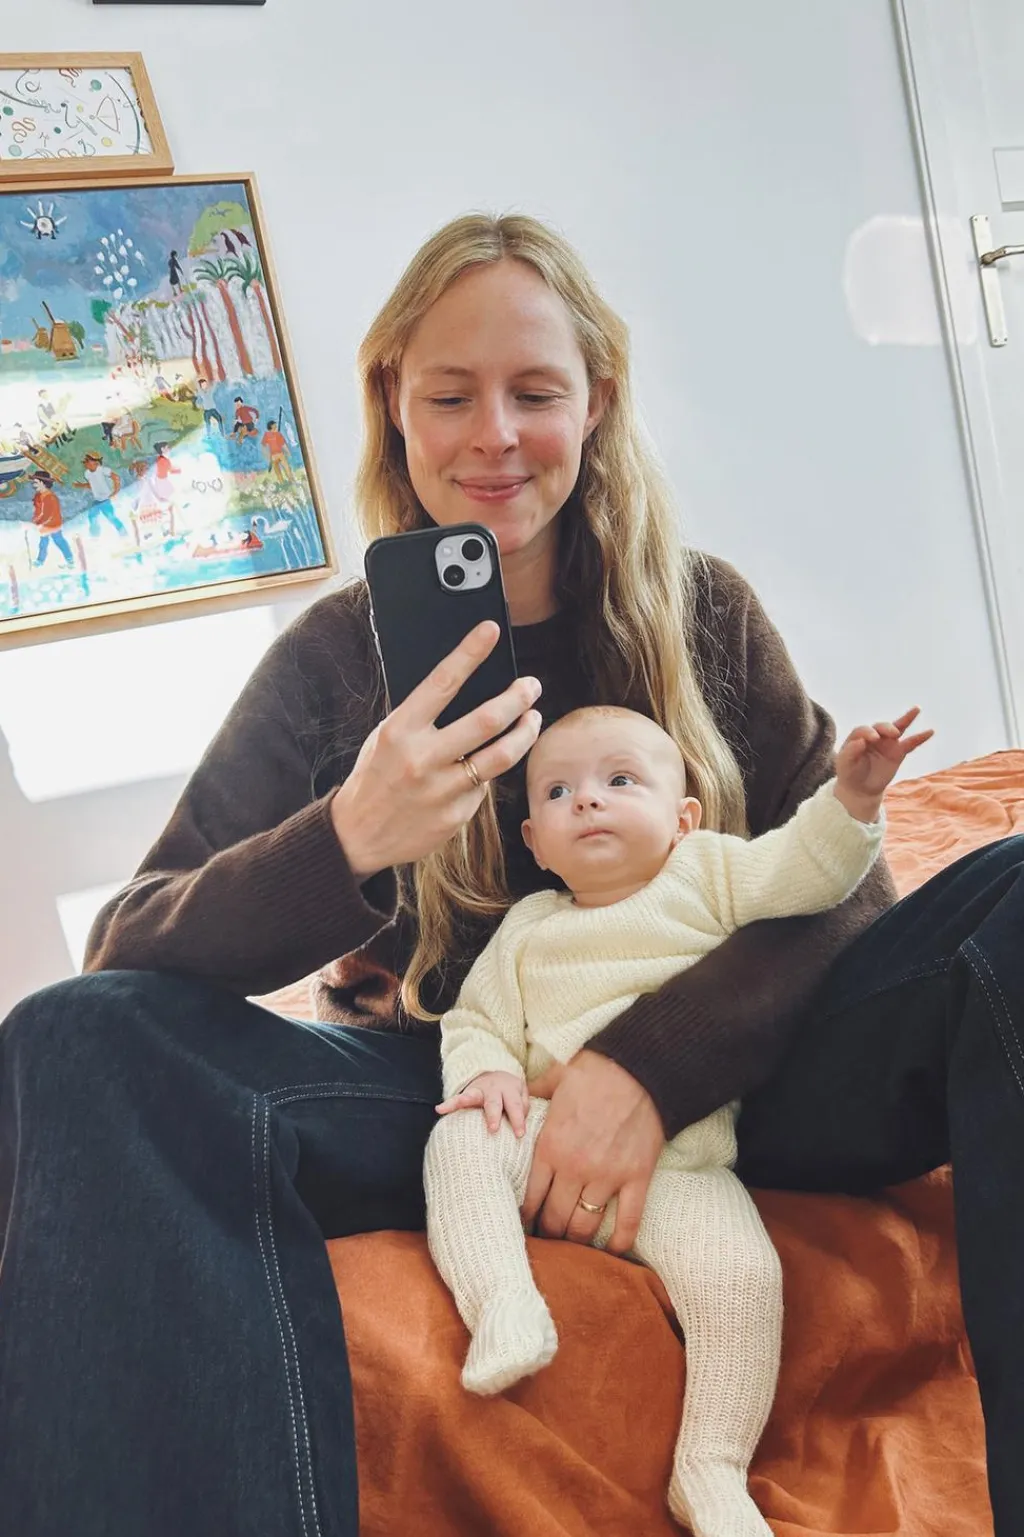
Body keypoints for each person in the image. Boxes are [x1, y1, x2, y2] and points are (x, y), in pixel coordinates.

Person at [0, 213, 1021, 1537]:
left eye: (535, 391)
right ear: (395, 404)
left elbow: (849, 893)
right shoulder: (334, 660)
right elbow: (129, 948)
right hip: (463, 1096)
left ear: (597, 402)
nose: (494, 435)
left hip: (756, 1086)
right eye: (450, 395)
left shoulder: (704, 612)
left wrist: (645, 1069)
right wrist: (348, 836)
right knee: (68, 1038)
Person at [426, 702, 926, 1536]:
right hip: (544, 1136)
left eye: (620, 780)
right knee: (457, 1138)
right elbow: (475, 1020)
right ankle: (504, 1303)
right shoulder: (526, 928)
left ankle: (711, 1469)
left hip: (685, 1165)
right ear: (535, 842)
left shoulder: (707, 872)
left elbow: (805, 872)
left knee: (743, 1281)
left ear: (684, 817)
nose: (588, 799)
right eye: (558, 792)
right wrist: (488, 1075)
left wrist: (854, 799)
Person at [72, 452, 127, 537]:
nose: (85, 463)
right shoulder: (87, 473)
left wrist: (116, 491)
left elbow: (116, 477)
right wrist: (79, 485)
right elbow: (91, 485)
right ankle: (95, 536)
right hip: (97, 500)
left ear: (95, 462)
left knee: (110, 517)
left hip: (106, 499)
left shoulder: (102, 470)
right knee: (92, 517)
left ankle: (123, 533)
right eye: (85, 461)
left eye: (87, 460)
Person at [28, 469, 74, 568]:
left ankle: (69, 560)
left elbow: (48, 514)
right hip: (44, 524)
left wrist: (39, 523)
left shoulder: (49, 497)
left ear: (43, 483)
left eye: (35, 482)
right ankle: (40, 561)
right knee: (44, 543)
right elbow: (38, 511)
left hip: (52, 524)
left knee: (58, 541)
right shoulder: (38, 495)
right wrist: (35, 520)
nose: (33, 484)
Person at [261, 417, 292, 482]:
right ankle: (283, 481)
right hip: (274, 455)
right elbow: (264, 445)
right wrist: (267, 455)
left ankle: (290, 480)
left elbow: (283, 444)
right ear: (271, 428)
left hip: (279, 454)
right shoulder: (268, 435)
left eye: (276, 427)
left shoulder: (278, 434)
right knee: (279, 469)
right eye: (274, 427)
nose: (276, 428)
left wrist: (288, 452)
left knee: (285, 467)